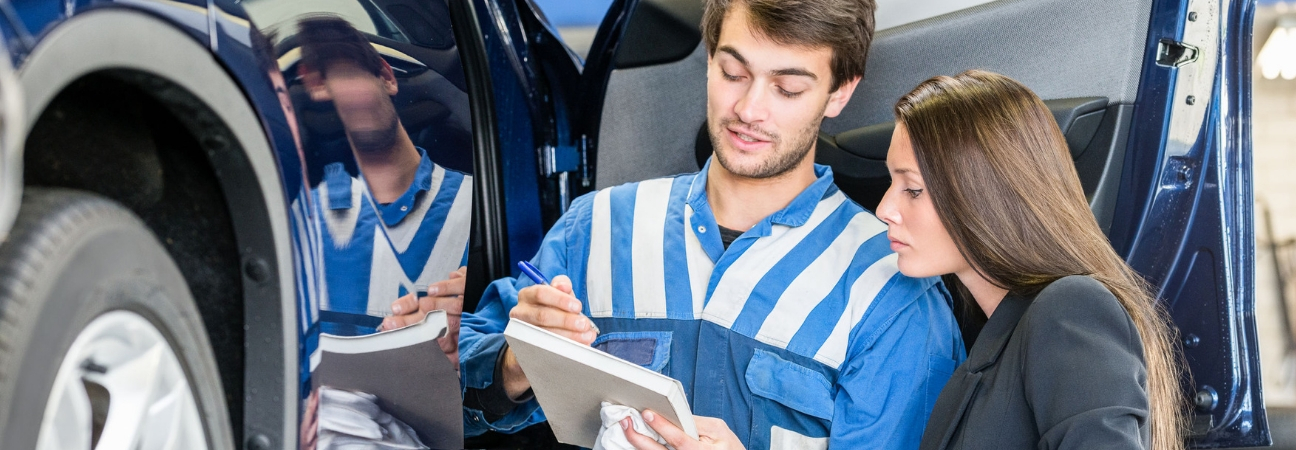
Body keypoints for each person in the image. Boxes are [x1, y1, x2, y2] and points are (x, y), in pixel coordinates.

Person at [459, 0, 965, 448]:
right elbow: (454, 386)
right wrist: (512, 365)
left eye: (787, 88)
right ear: (709, 58)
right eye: (732, 72)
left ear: (839, 93)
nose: (748, 109)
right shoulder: (593, 227)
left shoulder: (893, 290)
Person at [873, 70, 1185, 450]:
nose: (885, 208)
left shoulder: (1070, 308)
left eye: (913, 189)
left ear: (985, 195)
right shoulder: (989, 333)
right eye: (892, 183)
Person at [294, 16, 469, 353]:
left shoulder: (478, 204)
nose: (342, 96)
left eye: (347, 75)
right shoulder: (302, 218)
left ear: (387, 77)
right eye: (324, 85)